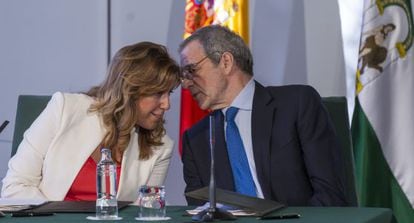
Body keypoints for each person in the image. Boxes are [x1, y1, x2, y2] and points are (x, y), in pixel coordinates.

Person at [179, 25, 349, 206]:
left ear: (226, 62)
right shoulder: (196, 139)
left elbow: (329, 194)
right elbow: (200, 212)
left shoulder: (296, 105)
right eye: (183, 75)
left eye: (191, 70)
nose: (185, 84)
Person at [1, 42, 181, 202]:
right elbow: (15, 187)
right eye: (158, 93)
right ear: (130, 90)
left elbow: (145, 213)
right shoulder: (64, 108)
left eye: (169, 93)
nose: (167, 104)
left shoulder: (162, 147)